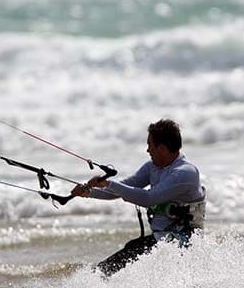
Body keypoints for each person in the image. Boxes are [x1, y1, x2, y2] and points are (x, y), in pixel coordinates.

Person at [72, 118, 205, 276]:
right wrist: (89, 192)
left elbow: (148, 198)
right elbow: (127, 186)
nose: (147, 150)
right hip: (161, 238)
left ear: (162, 148)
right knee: (132, 250)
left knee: (128, 254)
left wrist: (109, 184)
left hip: (183, 241)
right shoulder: (153, 167)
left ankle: (88, 286)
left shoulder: (185, 172)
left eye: (150, 145)